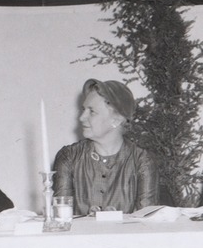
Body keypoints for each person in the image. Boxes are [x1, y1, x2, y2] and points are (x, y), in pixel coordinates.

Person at [53, 79, 159, 215]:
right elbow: (61, 217)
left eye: (91, 112)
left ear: (116, 120)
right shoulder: (69, 156)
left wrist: (118, 221)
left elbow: (146, 223)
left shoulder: (142, 161)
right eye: (84, 110)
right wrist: (86, 220)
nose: (82, 117)